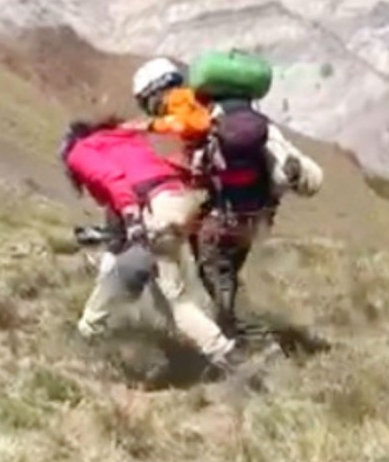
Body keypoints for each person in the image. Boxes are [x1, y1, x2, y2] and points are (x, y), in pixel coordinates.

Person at [129, 55, 323, 340]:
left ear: (153, 93)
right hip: (255, 211)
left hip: (224, 213)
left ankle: (243, 346)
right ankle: (235, 333)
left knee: (215, 277)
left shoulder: (187, 107)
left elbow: (192, 141)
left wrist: (147, 128)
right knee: (224, 272)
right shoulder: (232, 112)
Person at [59, 116, 263, 377]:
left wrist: (132, 217)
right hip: (180, 201)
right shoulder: (124, 142)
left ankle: (88, 334)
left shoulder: (80, 152)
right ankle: (218, 351)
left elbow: (113, 180)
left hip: (157, 208)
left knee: (170, 298)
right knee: (179, 293)